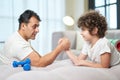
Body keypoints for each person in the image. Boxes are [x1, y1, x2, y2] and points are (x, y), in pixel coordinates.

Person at [0, 10, 70, 67]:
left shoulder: (20, 37)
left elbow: (39, 57)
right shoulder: (18, 44)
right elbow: (39, 63)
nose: (37, 30)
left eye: (38, 26)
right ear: (23, 26)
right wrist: (60, 47)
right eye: (34, 26)